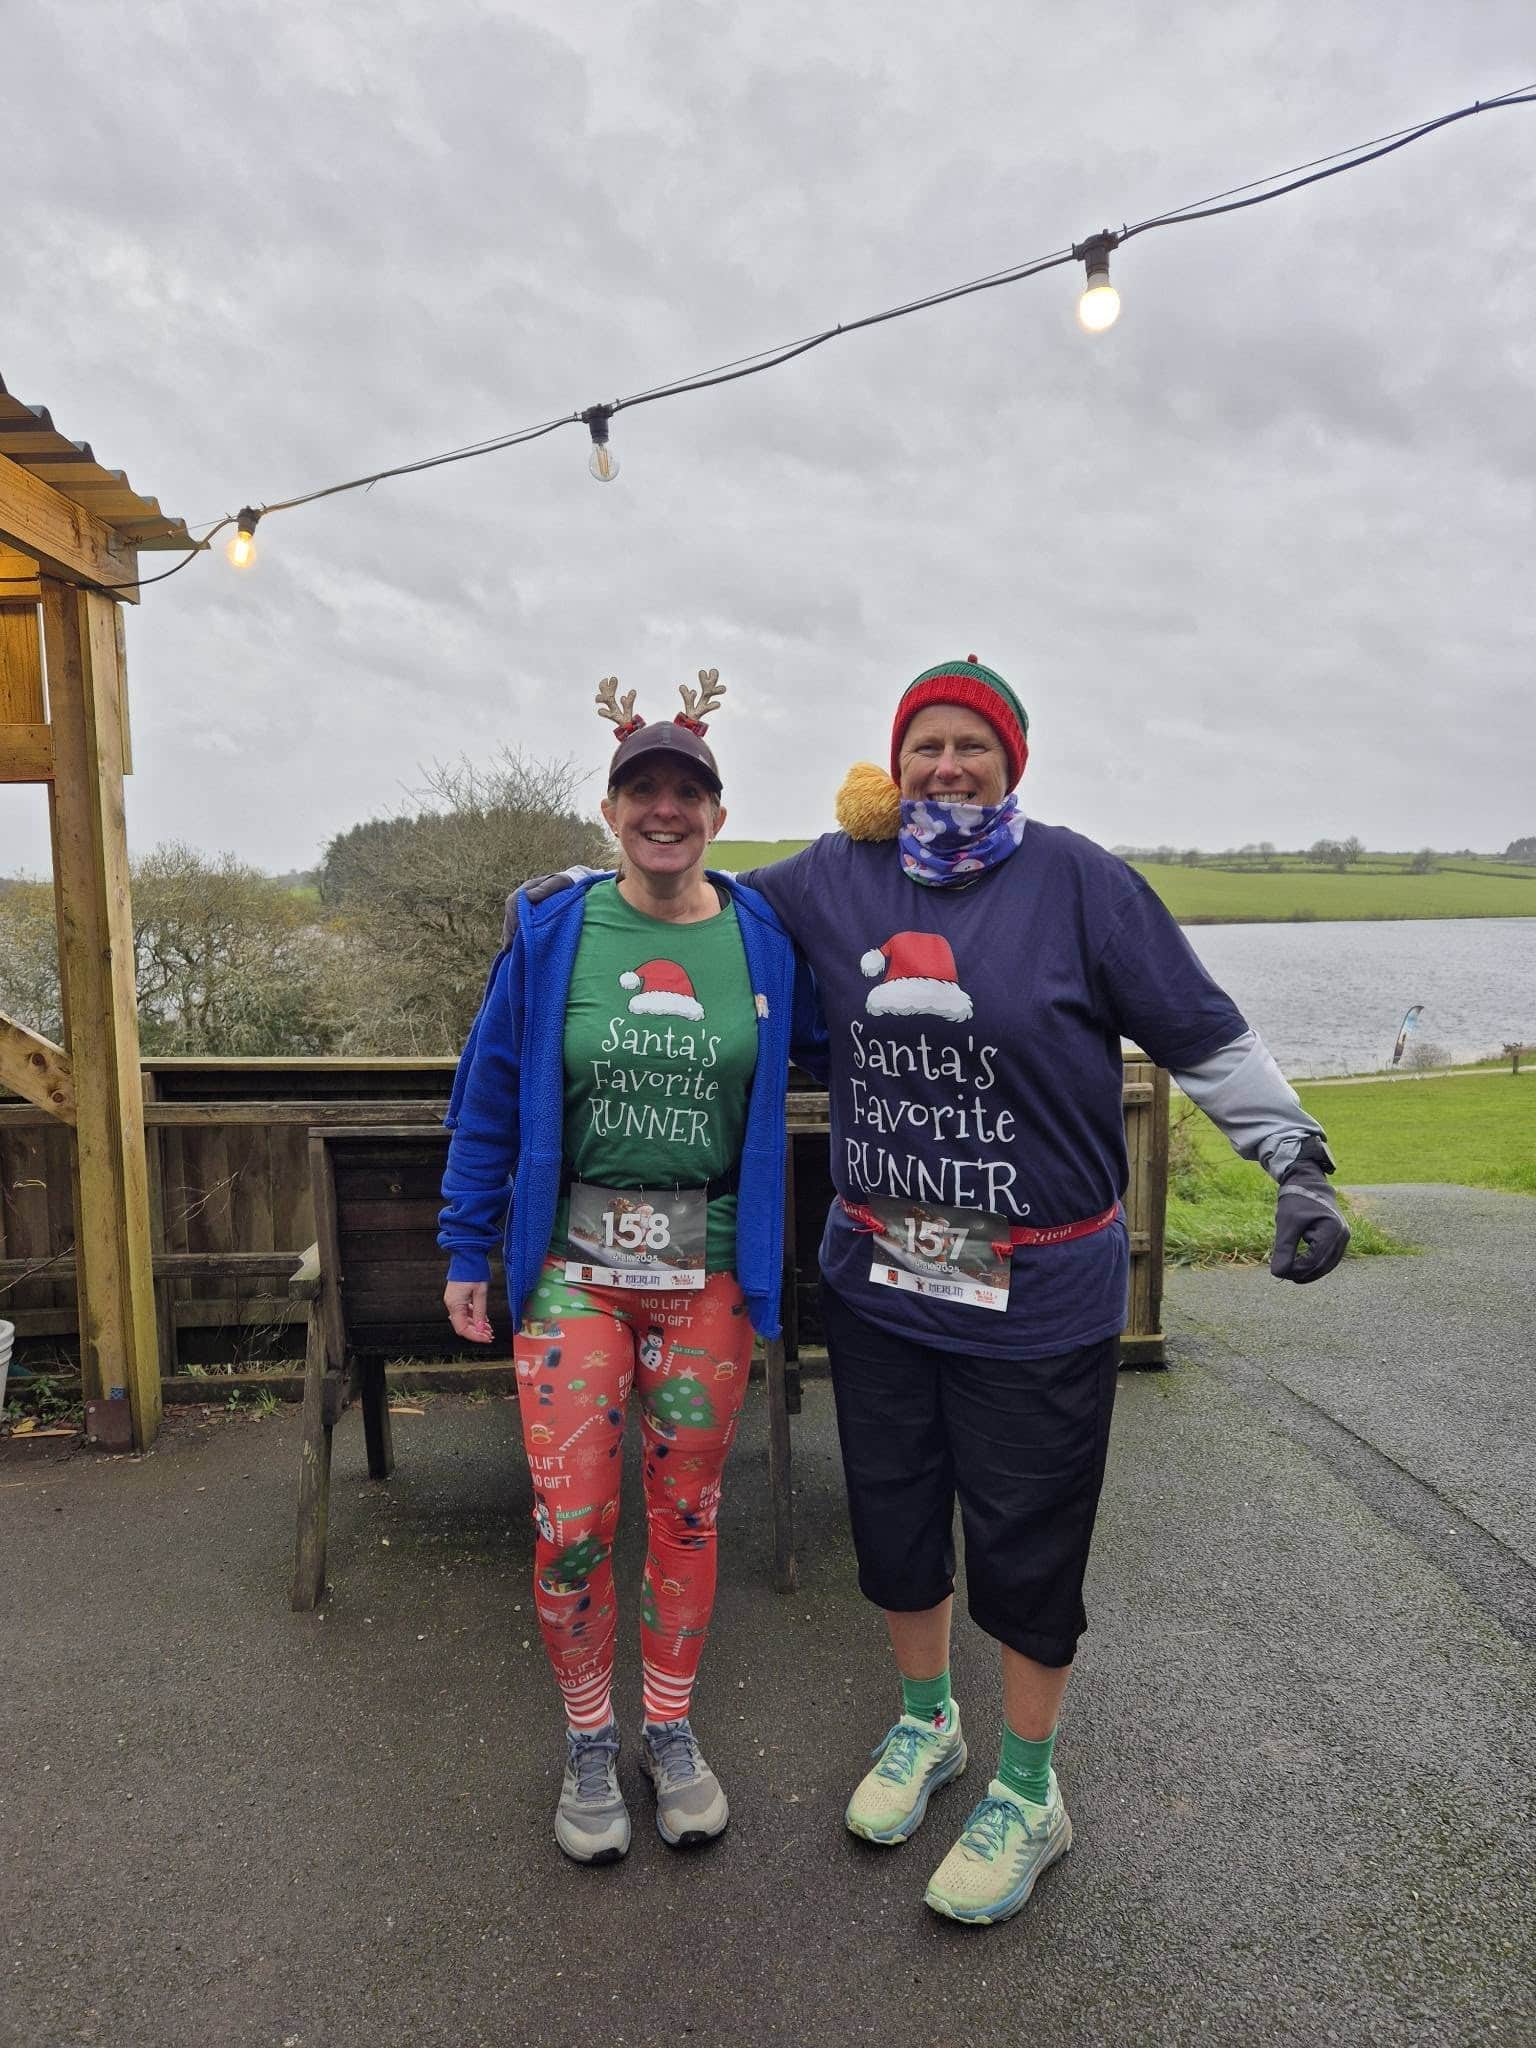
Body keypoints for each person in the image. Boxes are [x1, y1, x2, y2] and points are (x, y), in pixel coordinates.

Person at [735, 655, 1348, 1927]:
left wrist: (1296, 1157)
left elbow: (1202, 1029)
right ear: (891, 763)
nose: (947, 767)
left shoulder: (1079, 884)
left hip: (1038, 1296)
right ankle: (927, 1725)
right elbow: (699, 909)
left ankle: (1027, 1788)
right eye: (926, 747)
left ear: (1014, 760)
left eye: (973, 746)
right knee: (897, 1524)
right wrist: (582, 901)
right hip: (883, 1285)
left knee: (1025, 1546)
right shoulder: (836, 874)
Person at [439, 669, 821, 1866]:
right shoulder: (554, 926)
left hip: (707, 1277)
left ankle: (672, 1722)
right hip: (574, 1276)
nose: (666, 809)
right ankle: (591, 1738)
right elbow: (492, 1088)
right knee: (572, 1523)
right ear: (611, 810)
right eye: (641, 789)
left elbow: (842, 1046)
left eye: (687, 792)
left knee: (692, 1514)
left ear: (717, 810)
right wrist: (466, 1243)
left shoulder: (764, 933)